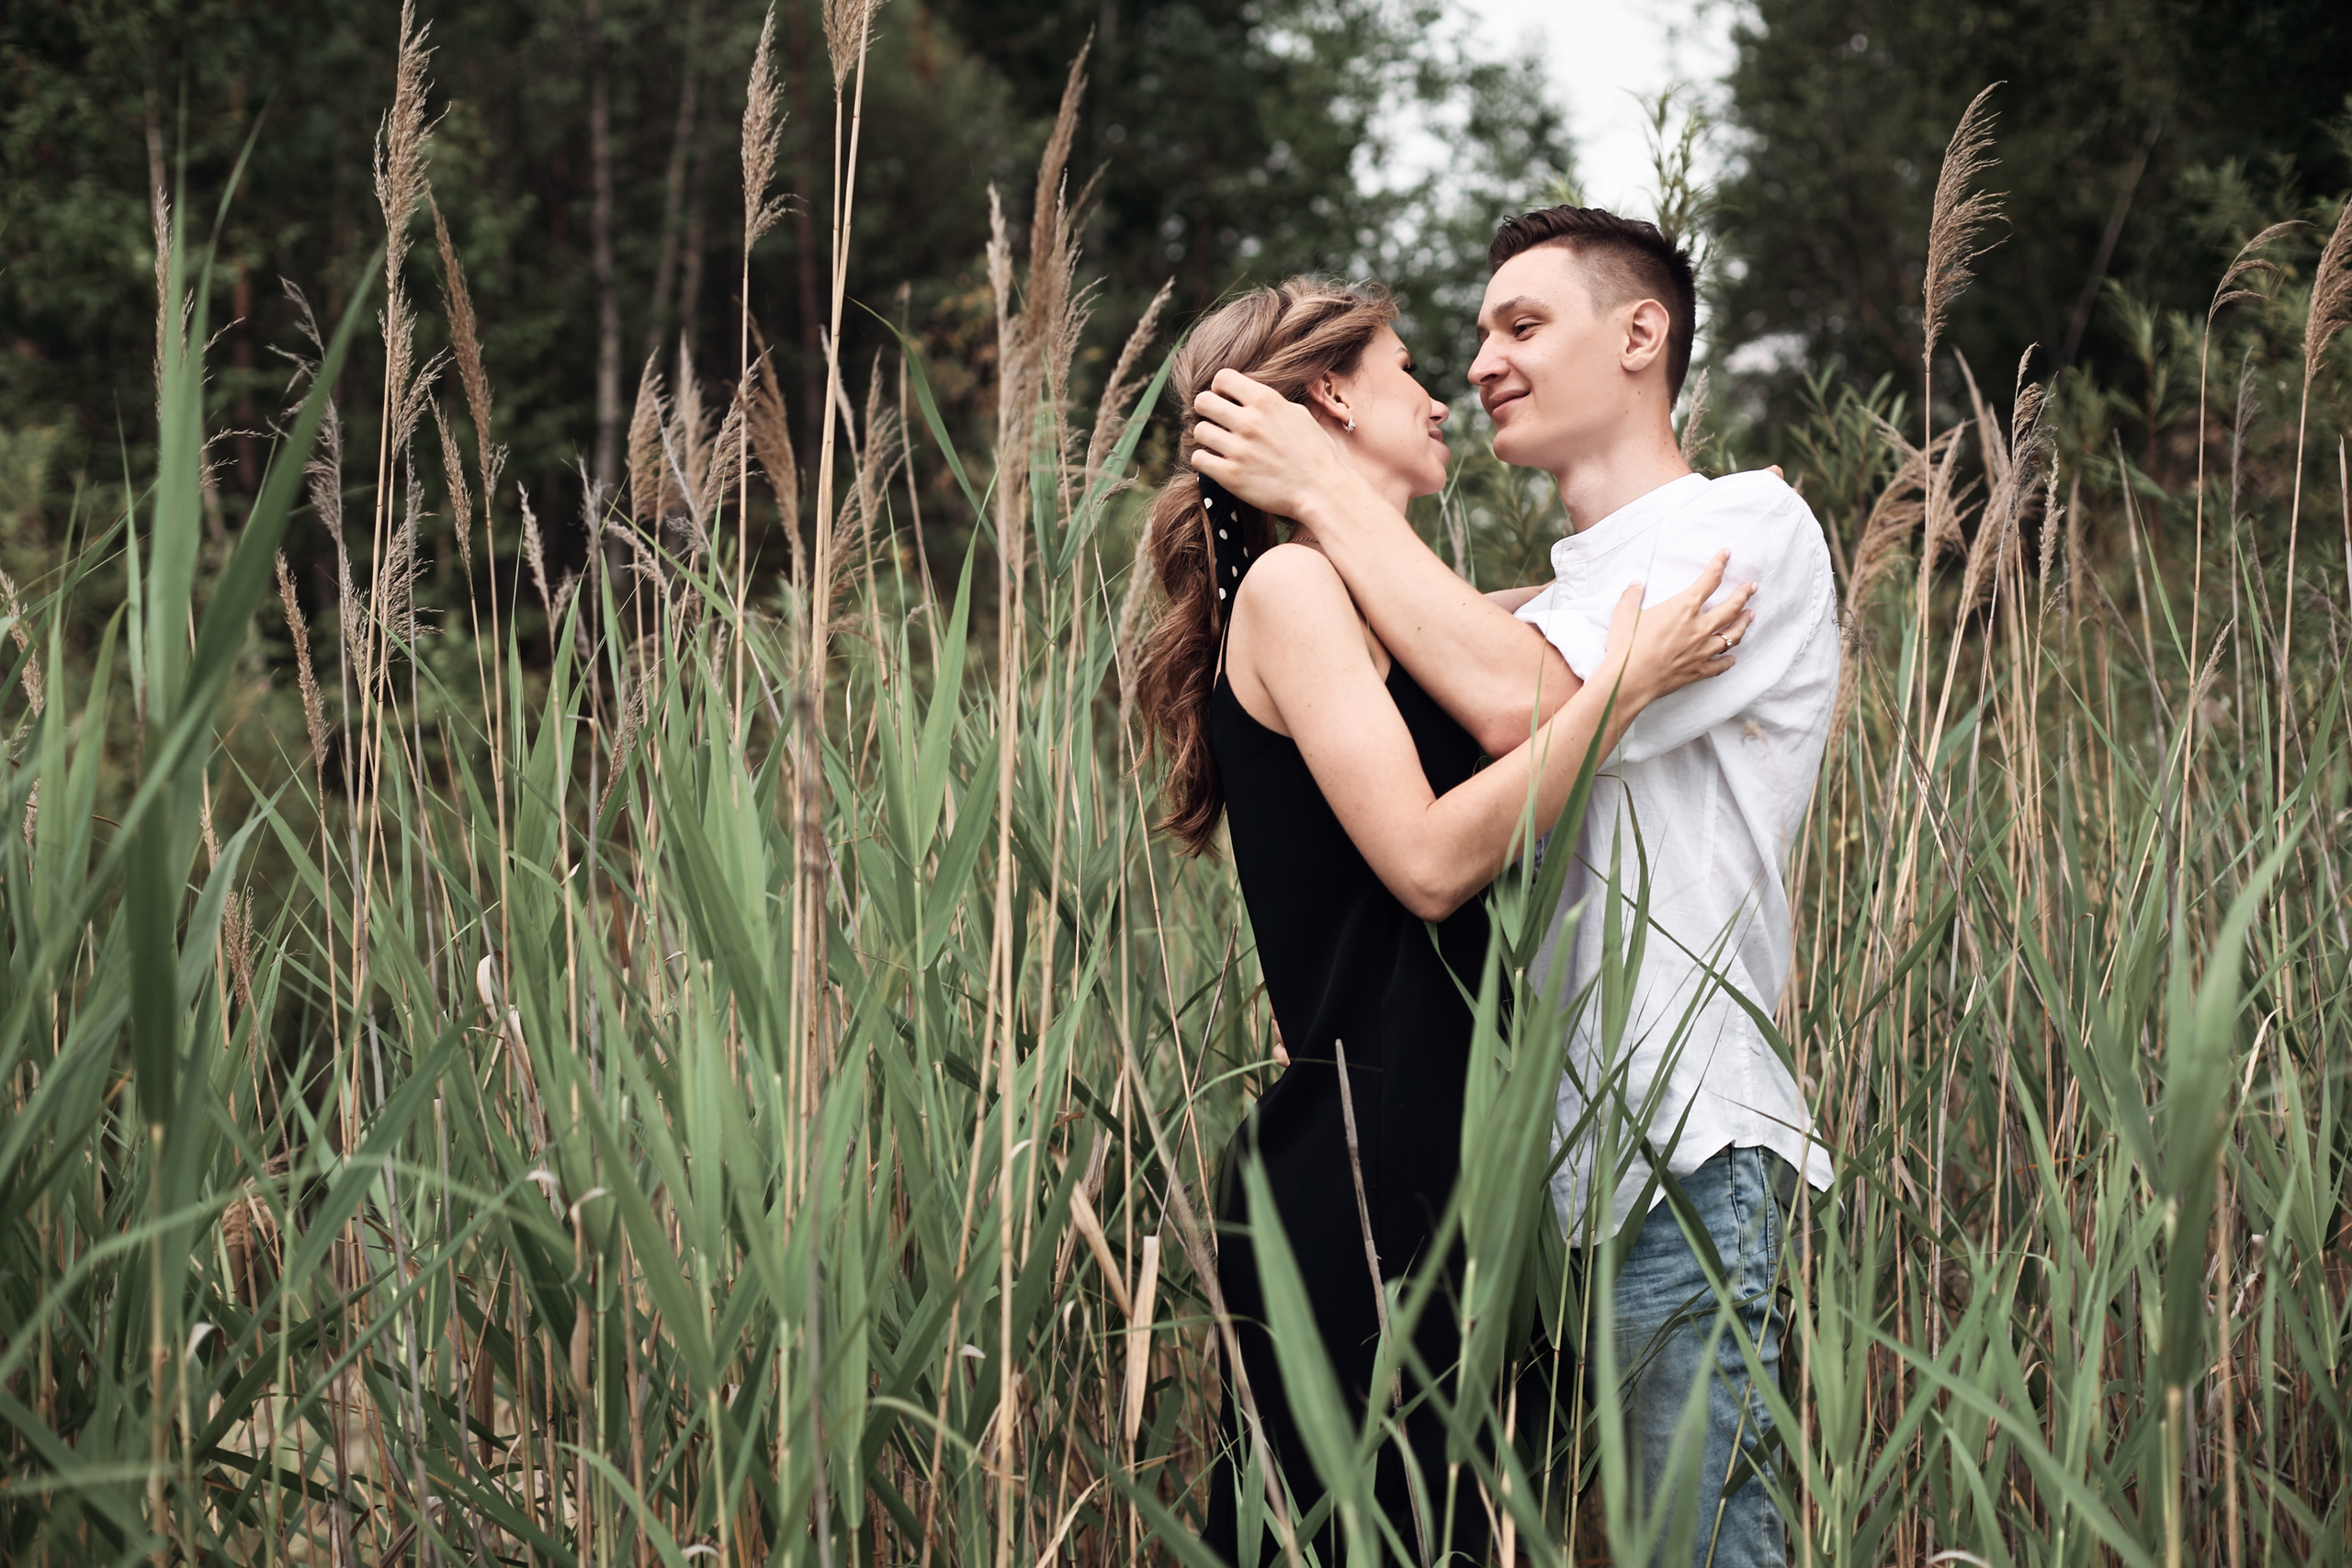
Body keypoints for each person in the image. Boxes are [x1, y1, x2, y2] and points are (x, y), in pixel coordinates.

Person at [1189, 209, 1839, 1568]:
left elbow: (1517, 704)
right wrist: (1320, 498)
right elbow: (1491, 752)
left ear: (1641, 335)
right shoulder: (1490, 607)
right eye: (1457, 343)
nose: (1472, 368)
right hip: (1508, 1172)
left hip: (1674, 1142)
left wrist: (1318, 485)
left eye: (1518, 326)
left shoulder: (1742, 530)